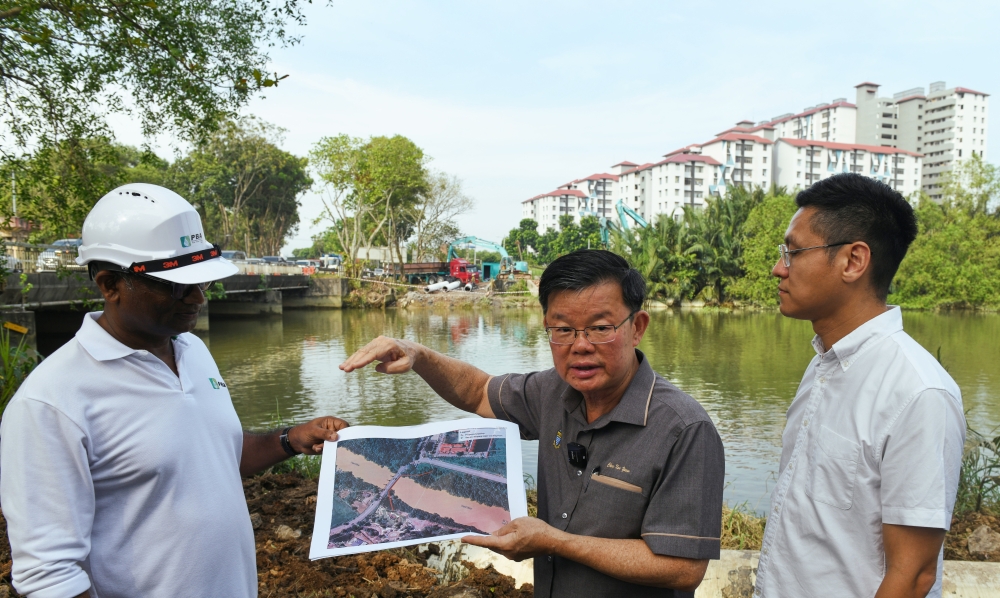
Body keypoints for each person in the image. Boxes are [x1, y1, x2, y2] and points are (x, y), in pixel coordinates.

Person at [0, 184, 349, 598]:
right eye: (176, 285)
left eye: (200, 280)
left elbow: (214, 456)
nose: (199, 297)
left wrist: (288, 440)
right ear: (110, 284)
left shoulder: (192, 349)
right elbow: (48, 575)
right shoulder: (53, 402)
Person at [340, 249, 724, 598]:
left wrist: (556, 542)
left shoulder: (684, 429)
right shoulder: (552, 391)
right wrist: (418, 354)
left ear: (637, 326)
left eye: (600, 328)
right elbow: (476, 391)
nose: (580, 345)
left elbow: (682, 568)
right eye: (562, 330)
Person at [754, 173, 965, 598]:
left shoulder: (918, 392)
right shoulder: (822, 367)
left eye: (793, 252)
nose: (779, 268)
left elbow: (914, 576)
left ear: (853, 261)